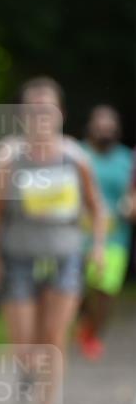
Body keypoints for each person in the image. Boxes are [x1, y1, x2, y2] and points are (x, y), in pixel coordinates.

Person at [0, 77, 105, 404]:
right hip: (18, 257)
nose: (40, 116)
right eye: (32, 109)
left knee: (53, 336)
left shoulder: (76, 157)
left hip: (65, 256)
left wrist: (98, 247)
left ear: (60, 113)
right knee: (25, 344)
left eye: (46, 108)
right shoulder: (7, 157)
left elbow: (97, 209)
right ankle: (27, 370)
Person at [77, 106, 134, 359]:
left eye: (109, 127)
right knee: (80, 286)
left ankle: (91, 331)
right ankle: (82, 321)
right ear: (90, 127)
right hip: (80, 235)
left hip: (115, 237)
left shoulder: (127, 160)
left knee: (106, 290)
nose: (104, 131)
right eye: (100, 126)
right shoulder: (78, 154)